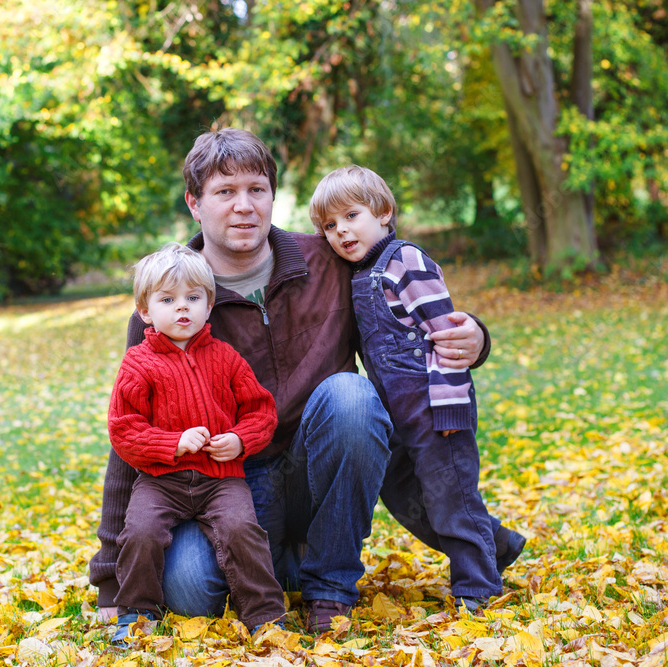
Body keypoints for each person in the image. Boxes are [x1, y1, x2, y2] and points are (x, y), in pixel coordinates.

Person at [89, 128, 508, 633]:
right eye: (225, 193)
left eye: (256, 190)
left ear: (272, 196)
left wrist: (474, 339)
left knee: (350, 396)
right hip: (226, 486)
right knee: (188, 593)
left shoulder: (330, 260)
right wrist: (111, 576)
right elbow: (129, 436)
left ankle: (328, 582)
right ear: (194, 204)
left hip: (318, 466)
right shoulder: (169, 300)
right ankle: (286, 562)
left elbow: (407, 316)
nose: (244, 206)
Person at [308, 165, 526, 610]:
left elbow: (446, 339)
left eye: (352, 216)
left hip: (435, 410)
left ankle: (477, 589)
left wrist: (447, 411)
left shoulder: (406, 261)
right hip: (397, 419)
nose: (342, 231)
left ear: (384, 211)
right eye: (330, 226)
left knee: (451, 497)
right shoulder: (357, 273)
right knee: (404, 496)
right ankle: (497, 543)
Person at [106, 242, 286, 643]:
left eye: (193, 297)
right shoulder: (138, 363)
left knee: (242, 529)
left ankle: (266, 616)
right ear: (146, 311)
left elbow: (262, 411)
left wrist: (239, 441)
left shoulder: (226, 357)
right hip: (160, 481)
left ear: (209, 305)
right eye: (168, 299)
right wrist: (172, 443)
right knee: (140, 531)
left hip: (221, 478)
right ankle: (135, 615)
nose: (182, 308)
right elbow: (123, 429)